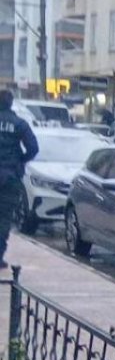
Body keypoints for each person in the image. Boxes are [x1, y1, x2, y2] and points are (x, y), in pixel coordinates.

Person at [0, 91, 39, 270]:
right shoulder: (19, 124)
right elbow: (33, 148)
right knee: (4, 219)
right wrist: (20, 160)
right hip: (9, 178)